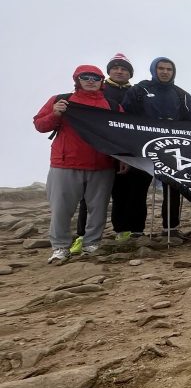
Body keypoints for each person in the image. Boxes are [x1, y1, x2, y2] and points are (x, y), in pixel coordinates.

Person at [35, 65, 121, 263]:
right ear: (77, 79)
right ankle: (60, 248)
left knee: (98, 209)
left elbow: (119, 135)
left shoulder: (113, 106)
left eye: (96, 77)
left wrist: (120, 159)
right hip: (65, 164)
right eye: (86, 77)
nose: (91, 81)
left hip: (102, 165)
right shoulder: (61, 100)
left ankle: (92, 244)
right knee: (61, 209)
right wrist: (55, 114)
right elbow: (40, 125)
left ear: (102, 81)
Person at [122, 57, 191, 237]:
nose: (165, 72)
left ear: (173, 72)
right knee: (138, 189)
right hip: (142, 147)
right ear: (154, 70)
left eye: (169, 69)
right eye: (161, 68)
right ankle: (136, 230)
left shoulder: (182, 95)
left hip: (171, 149)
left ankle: (170, 228)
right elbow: (125, 116)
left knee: (172, 189)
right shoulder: (140, 90)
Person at [73, 54, 143, 247]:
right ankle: (83, 235)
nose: (120, 71)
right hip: (99, 151)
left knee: (124, 193)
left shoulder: (137, 92)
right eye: (116, 68)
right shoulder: (100, 90)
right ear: (109, 71)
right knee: (90, 197)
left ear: (130, 73)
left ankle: (123, 230)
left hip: (125, 151)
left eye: (124, 69)